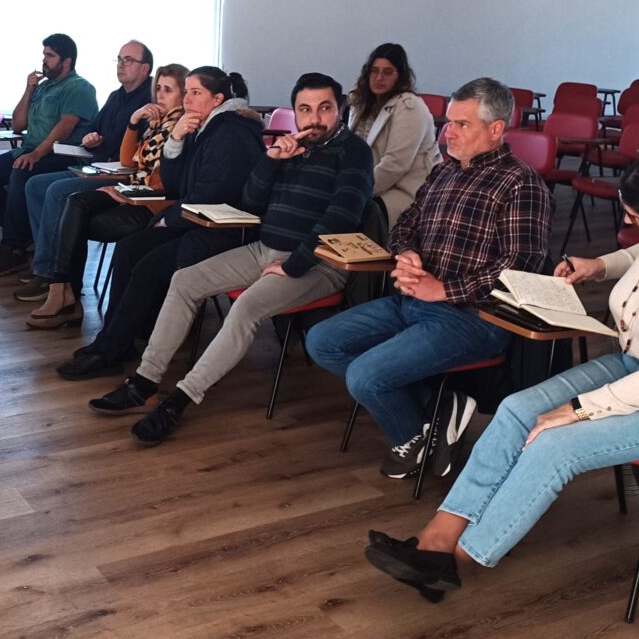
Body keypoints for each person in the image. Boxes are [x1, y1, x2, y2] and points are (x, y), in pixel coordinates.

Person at [364, 148, 639, 603]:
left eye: (638, 218)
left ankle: (457, 560)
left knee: (558, 444)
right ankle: (436, 537)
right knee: (518, 409)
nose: (630, 223)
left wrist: (579, 410)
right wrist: (600, 266)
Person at [88, 73, 374, 447]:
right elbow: (252, 202)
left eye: (325, 108)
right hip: (265, 250)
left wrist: (293, 265)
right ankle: (144, 382)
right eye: (305, 109)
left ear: (340, 110)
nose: (315, 118)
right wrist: (271, 161)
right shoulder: (292, 148)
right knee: (184, 281)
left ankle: (180, 400)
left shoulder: (354, 152)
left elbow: (342, 217)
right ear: (295, 112)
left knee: (246, 308)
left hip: (318, 262)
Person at [306, 78, 551, 481]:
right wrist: (406, 253)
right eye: (448, 122)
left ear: (496, 129)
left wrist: (444, 290)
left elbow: (520, 267)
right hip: (415, 301)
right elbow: (406, 224)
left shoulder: (520, 183)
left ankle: (410, 436)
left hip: (474, 318)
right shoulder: (443, 172)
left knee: (365, 376)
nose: (447, 132)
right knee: (322, 341)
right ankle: (437, 410)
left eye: (461, 124)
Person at [56, 68, 264, 381]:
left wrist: (167, 220)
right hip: (198, 220)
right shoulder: (203, 126)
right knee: (129, 248)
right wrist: (176, 139)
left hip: (226, 230)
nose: (187, 99)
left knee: (148, 266)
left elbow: (210, 196)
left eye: (196, 93)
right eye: (187, 91)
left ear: (218, 99)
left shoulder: (230, 133)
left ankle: (111, 348)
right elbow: (176, 184)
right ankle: (115, 342)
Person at [21, 64, 186, 327]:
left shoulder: (181, 127)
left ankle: (66, 297)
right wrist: (134, 121)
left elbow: (169, 181)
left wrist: (129, 194)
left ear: (184, 94)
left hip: (151, 201)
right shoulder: (156, 123)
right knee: (75, 202)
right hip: (133, 187)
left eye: (169, 90)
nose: (161, 95)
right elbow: (128, 161)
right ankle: (60, 288)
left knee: (71, 207)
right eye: (158, 88)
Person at [15, 40, 154, 298]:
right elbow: (93, 130)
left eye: (128, 60)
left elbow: (139, 151)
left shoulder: (150, 102)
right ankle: (44, 261)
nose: (121, 65)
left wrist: (100, 143)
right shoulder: (116, 96)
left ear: (145, 68)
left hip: (123, 176)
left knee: (57, 190)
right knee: (34, 185)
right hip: (98, 166)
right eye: (119, 59)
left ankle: (50, 275)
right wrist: (91, 138)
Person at [0, 33, 98, 277]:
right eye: (44, 55)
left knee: (21, 171)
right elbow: (18, 125)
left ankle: (12, 248)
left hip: (62, 153)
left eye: (50, 55)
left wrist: (37, 154)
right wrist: (29, 90)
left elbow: (66, 126)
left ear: (67, 61)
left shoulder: (79, 87)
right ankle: (23, 232)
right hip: (30, 149)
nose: (44, 60)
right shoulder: (44, 86)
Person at [347, 44, 440, 223]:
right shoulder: (360, 102)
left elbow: (395, 164)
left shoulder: (410, 106)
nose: (379, 78)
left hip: (407, 190)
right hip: (370, 184)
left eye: (388, 72)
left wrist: (357, 192)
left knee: (355, 214)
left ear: (400, 75)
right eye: (374, 71)